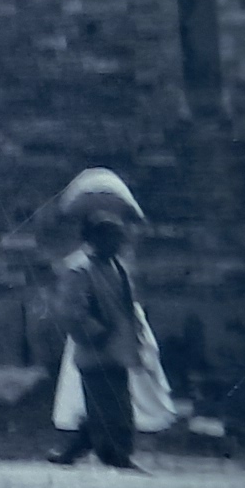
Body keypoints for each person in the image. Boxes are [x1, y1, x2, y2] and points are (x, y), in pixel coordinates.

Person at [44, 170, 173, 471]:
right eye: (111, 238)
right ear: (94, 239)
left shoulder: (117, 268)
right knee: (107, 404)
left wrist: (135, 338)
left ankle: (80, 449)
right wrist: (96, 333)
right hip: (96, 348)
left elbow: (127, 306)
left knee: (112, 402)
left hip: (118, 348)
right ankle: (115, 453)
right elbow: (71, 310)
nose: (118, 243)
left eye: (119, 238)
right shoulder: (79, 269)